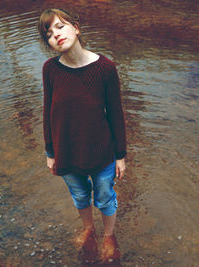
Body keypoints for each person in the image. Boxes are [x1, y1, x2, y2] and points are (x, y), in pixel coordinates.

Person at [38, 8, 126, 264]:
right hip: (66, 151)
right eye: (49, 34)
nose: (55, 34)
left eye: (60, 26)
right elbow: (47, 111)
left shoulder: (105, 68)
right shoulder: (50, 70)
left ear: (76, 28)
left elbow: (116, 114)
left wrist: (120, 155)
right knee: (79, 195)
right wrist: (50, 152)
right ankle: (88, 229)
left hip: (102, 151)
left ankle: (109, 235)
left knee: (105, 196)